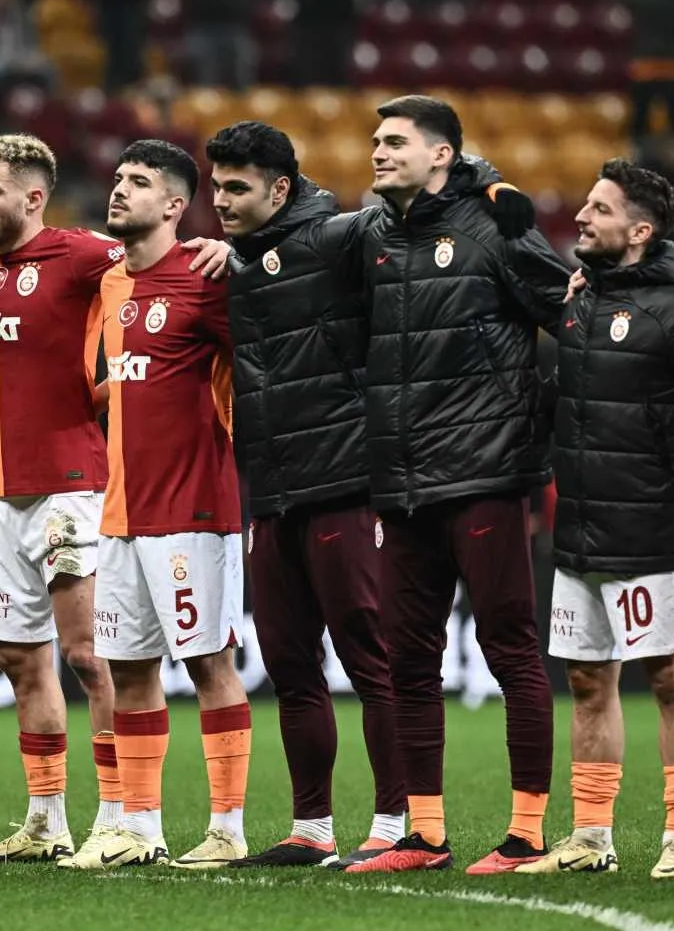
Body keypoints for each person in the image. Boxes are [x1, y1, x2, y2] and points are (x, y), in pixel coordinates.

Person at [309, 96, 569, 875]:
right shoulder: (373, 235)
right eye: (375, 140)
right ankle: (423, 835)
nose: (378, 151)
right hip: (400, 480)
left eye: (396, 141)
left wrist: (537, 416)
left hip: (484, 473)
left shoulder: (497, 226)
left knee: (509, 650)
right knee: (409, 661)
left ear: (443, 155)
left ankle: (526, 835)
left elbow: (575, 320)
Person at [0, 134, 228, 867]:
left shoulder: (83, 254)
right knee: (18, 657)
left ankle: (117, 816)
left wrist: (215, 249)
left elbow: (161, 269)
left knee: (88, 655)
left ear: (33, 197)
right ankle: (46, 821)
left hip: (72, 486)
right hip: (0, 492)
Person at [200, 121, 404, 870]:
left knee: (370, 658)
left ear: (281, 189)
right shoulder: (231, 262)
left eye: (237, 188)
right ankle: (311, 828)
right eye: (216, 187)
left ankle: (396, 823)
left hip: (347, 481)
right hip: (272, 490)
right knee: (289, 664)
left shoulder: (340, 238)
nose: (221, 201)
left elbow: (419, 213)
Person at [517, 160, 674, 878]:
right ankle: (590, 838)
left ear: (639, 231)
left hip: (648, 531)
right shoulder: (580, 303)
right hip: (578, 528)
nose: (581, 215)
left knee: (668, 676)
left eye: (599, 209)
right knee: (586, 680)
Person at [79, 140, 250, 870]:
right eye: (119, 178)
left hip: (193, 510)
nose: (120, 189)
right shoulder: (112, 282)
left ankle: (228, 829)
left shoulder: (207, 278)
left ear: (176, 206)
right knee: (128, 670)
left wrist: (242, 260)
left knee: (208, 663)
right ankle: (140, 828)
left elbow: (266, 357)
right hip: (121, 511)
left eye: (140, 182)